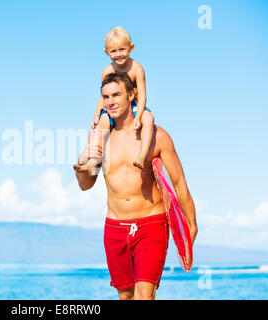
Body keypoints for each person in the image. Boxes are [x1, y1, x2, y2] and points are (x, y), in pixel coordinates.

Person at [74, 73, 197, 300]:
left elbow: (180, 184)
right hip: (115, 227)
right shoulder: (101, 137)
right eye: (106, 97)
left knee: (144, 294)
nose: (110, 101)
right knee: (126, 297)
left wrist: (191, 224)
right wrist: (81, 172)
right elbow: (86, 184)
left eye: (116, 95)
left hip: (151, 223)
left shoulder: (157, 136)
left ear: (131, 95)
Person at [86, 26, 154, 175]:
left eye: (122, 49)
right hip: (112, 106)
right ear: (106, 52)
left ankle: (142, 154)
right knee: (100, 125)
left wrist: (139, 114)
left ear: (131, 48)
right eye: (113, 51)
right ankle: (92, 160)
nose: (118, 54)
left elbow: (142, 94)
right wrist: (96, 114)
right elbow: (103, 96)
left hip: (134, 105)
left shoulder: (137, 69)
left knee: (149, 118)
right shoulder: (107, 71)